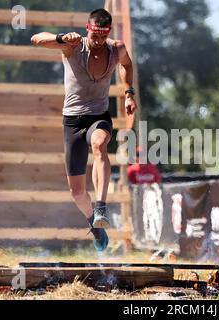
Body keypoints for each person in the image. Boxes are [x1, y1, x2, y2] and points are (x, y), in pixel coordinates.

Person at [30, 8, 137, 251]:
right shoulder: (74, 46)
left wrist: (129, 93)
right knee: (76, 191)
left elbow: (127, 66)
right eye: (94, 37)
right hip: (72, 122)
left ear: (107, 33)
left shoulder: (115, 48)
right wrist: (60, 39)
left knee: (100, 145)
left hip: (99, 116)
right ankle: (95, 226)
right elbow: (36, 39)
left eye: (102, 37)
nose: (98, 42)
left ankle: (101, 206)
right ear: (87, 30)